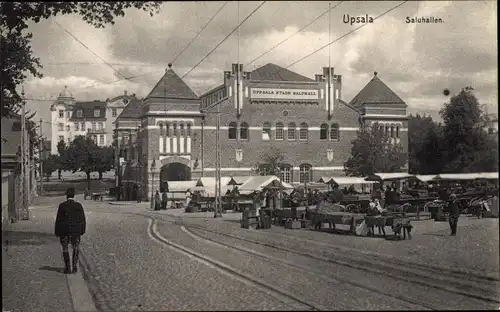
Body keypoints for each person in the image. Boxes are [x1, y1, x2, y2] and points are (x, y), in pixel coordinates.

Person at [55, 187, 86, 274]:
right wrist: (82, 230)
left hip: (64, 230)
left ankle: (68, 268)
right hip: (76, 230)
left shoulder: (62, 206)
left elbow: (58, 220)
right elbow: (82, 219)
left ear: (66, 195)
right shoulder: (78, 206)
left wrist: (57, 231)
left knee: (65, 248)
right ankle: (75, 267)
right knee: (76, 247)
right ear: (74, 195)